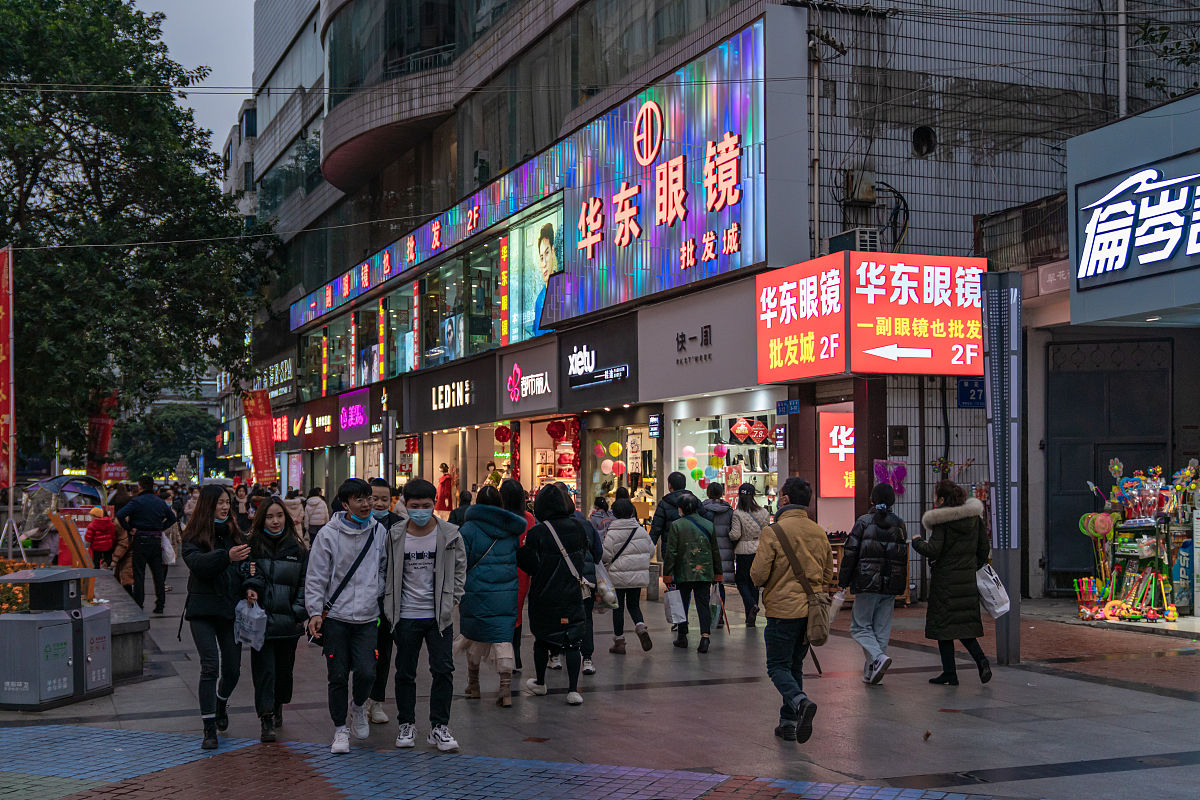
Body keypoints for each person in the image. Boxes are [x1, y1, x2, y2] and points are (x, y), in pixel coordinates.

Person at [305, 479, 389, 755]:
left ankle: (358, 707)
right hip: (337, 618)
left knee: (367, 671)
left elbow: (383, 568)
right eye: (359, 500)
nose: (367, 505)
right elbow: (316, 576)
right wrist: (315, 612)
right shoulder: (328, 535)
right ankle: (340, 728)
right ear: (345, 504)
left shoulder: (379, 531)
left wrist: (377, 594)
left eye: (369, 499)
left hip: (367, 617)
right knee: (337, 675)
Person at [383, 478, 466, 752]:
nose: (420, 510)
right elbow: (385, 571)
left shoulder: (450, 534)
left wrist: (451, 599)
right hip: (405, 615)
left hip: (438, 617)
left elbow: (459, 571)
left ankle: (439, 726)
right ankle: (406, 723)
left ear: (435, 505)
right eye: (414, 506)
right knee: (405, 672)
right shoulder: (395, 534)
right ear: (404, 505)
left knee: (443, 670)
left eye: (426, 506)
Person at [750, 477, 833, 744]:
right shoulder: (819, 531)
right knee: (795, 664)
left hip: (782, 611)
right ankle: (788, 722)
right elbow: (828, 573)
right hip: (810, 611)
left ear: (785, 499)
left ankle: (799, 702)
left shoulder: (772, 532)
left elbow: (758, 575)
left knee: (777, 666)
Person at [182, 485, 250, 750]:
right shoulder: (194, 535)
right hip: (202, 611)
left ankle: (221, 702)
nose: (225, 507)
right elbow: (198, 564)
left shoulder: (236, 533)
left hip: (229, 610)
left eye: (227, 502)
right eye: (220, 502)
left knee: (232, 669)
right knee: (210, 666)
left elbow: (248, 566)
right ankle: (209, 728)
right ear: (207, 505)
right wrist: (226, 557)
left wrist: (250, 586)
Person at [912, 480, 992, 686]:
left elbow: (933, 550)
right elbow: (984, 548)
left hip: (946, 582)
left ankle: (950, 672)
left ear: (941, 498)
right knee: (963, 626)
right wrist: (971, 566)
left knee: (944, 628)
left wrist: (916, 541)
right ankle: (981, 661)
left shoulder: (943, 520)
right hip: (966, 581)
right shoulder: (974, 518)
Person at [241, 496, 307, 743]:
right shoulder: (252, 546)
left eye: (279, 516)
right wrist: (249, 588)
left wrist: (297, 611)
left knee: (283, 673)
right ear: (261, 520)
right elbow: (243, 574)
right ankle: (266, 716)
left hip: (288, 622)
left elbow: (305, 583)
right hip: (261, 622)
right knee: (264, 672)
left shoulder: (297, 548)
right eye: (269, 516)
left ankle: (278, 703)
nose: (275, 521)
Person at [517, 483, 588, 706]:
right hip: (572, 594)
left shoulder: (537, 532)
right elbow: (585, 555)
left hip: (545, 595)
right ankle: (573, 690)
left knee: (542, 639)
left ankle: (540, 682)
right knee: (573, 641)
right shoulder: (578, 528)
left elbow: (528, 564)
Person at [457, 484, 525, 707]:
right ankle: (505, 689)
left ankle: (474, 685)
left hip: (475, 590)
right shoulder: (511, 528)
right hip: (505, 592)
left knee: (474, 635)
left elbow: (461, 561)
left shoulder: (468, 529)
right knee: (502, 637)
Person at [838, 483, 908, 685]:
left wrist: (843, 581)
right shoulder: (899, 524)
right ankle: (871, 671)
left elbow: (850, 554)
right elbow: (902, 557)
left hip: (867, 582)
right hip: (891, 584)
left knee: (860, 627)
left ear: (872, 500)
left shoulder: (863, 522)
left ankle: (877, 659)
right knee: (881, 629)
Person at [366, 478, 406, 726]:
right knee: (360, 657)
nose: (379, 503)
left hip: (387, 602)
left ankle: (376, 701)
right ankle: (359, 701)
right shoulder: (356, 525)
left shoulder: (399, 526)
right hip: (357, 603)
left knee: (383, 653)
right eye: (374, 498)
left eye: (384, 499)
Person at [662, 493, 722, 652]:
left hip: (683, 572)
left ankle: (682, 636)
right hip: (705, 572)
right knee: (703, 604)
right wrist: (718, 572)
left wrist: (667, 573)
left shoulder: (677, 525)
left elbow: (672, 552)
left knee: (681, 603)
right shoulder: (708, 524)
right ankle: (705, 637)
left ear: (681, 508)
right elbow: (715, 550)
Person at [115, 475, 178, 614]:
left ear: (140, 486)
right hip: (156, 540)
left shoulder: (136, 501)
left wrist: (129, 528)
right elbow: (172, 518)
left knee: (139, 574)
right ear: (153, 486)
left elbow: (120, 515)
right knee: (158, 574)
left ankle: (139, 604)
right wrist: (160, 527)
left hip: (140, 540)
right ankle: (160, 604)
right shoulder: (159, 502)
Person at [602, 498, 653, 654]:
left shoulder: (612, 532)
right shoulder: (641, 530)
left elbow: (605, 556)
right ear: (632, 512)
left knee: (618, 609)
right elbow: (650, 551)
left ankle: (619, 642)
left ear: (614, 514)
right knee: (634, 605)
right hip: (636, 577)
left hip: (617, 578)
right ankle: (640, 626)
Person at [501, 479, 535, 672]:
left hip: (501, 567)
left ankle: (505, 655)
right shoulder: (528, 518)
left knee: (503, 614)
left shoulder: (499, 518)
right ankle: (516, 654)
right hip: (522, 571)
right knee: (517, 613)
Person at [729, 483, 770, 627]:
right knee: (754, 583)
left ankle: (751, 606)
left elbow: (735, 535)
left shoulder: (738, 513)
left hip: (744, 552)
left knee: (741, 581)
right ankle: (750, 616)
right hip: (759, 551)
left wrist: (726, 535)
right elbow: (767, 531)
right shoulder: (764, 512)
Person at [700, 482, 734, 624]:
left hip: (705, 552)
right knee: (719, 585)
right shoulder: (729, 511)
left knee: (703, 587)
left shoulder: (702, 510)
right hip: (723, 553)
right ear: (722, 493)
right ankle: (719, 616)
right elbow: (733, 532)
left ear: (708, 493)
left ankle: (707, 616)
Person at [649, 471, 694, 546]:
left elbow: (656, 529)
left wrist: (649, 547)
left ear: (669, 485)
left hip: (669, 548)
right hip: (691, 547)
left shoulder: (664, 503)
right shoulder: (694, 501)